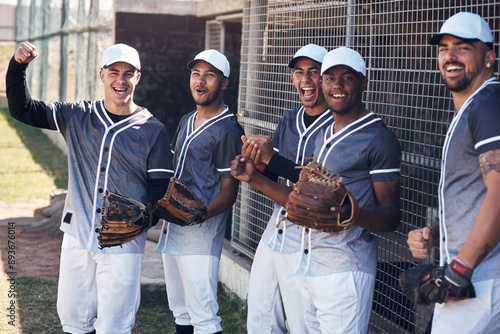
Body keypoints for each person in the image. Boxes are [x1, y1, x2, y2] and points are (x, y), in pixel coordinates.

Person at [6, 42, 173, 333]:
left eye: (128, 73)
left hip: (124, 243)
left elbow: (160, 189)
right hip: (78, 233)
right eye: (114, 72)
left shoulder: (152, 129)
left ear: (138, 77)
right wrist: (18, 66)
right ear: (101, 75)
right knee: (73, 318)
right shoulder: (78, 114)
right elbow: (22, 109)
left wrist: (145, 218)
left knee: (115, 324)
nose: (121, 80)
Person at [232, 46, 401, 333]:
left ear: (363, 83)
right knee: (263, 319)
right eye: (330, 78)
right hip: (310, 257)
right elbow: (304, 199)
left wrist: (353, 213)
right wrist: (255, 177)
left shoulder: (379, 137)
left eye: (347, 78)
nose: (336, 85)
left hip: (345, 261)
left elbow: (391, 216)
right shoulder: (324, 134)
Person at [406, 12, 500, 333]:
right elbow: (476, 193)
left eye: (462, 47)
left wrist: (460, 267)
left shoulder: (487, 104)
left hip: (478, 282)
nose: (450, 56)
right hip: (479, 281)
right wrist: (435, 232)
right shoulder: (473, 107)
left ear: (489, 57)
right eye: (444, 48)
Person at [240, 43, 332, 333]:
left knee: (301, 319)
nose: (305, 79)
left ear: (326, 77)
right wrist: (254, 161)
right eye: (298, 72)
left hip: (312, 233)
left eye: (314, 72)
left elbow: (320, 187)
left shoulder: (337, 123)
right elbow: (275, 173)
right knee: (260, 312)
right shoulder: (290, 119)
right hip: (278, 225)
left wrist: (272, 159)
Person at [155, 49, 244, 334]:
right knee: (181, 313)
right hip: (173, 228)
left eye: (210, 75)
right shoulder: (186, 119)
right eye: (196, 74)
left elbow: (230, 190)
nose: (201, 81)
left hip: (200, 236)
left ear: (225, 82)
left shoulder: (228, 129)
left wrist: (202, 214)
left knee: (204, 317)